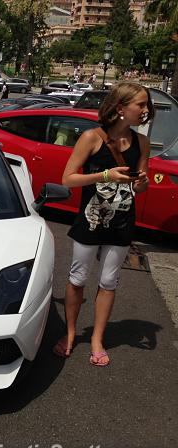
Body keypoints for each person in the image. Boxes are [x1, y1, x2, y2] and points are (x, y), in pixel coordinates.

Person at [54, 82, 153, 366]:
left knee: (109, 281)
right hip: (91, 219)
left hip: (122, 220)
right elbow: (68, 179)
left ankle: (97, 338)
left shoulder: (141, 143)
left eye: (147, 106)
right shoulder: (91, 137)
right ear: (121, 108)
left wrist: (142, 182)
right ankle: (71, 333)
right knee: (78, 278)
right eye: (141, 105)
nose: (145, 110)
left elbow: (140, 189)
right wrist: (105, 176)